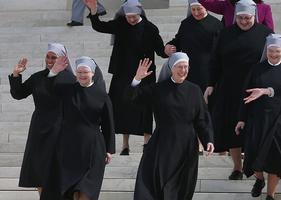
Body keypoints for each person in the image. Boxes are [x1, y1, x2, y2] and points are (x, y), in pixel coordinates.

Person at [85, 0, 168, 155]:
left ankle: (147, 142)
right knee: (122, 107)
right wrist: (94, 11)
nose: (131, 20)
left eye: (134, 17)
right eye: (128, 17)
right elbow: (99, 26)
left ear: (140, 13)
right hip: (122, 73)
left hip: (145, 73)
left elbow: (160, 50)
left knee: (145, 107)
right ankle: (125, 145)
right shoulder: (121, 24)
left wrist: (168, 51)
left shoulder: (150, 28)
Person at [127, 53, 214, 200]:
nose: (183, 70)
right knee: (155, 183)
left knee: (182, 186)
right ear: (171, 68)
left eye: (186, 67)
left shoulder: (195, 90)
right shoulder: (159, 89)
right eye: (179, 67)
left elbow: (202, 119)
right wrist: (137, 79)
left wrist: (208, 140)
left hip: (186, 146)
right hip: (162, 143)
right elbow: (133, 99)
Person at [203, 0, 273, 180]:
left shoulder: (266, 34)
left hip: (255, 88)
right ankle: (237, 168)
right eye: (240, 18)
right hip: (230, 88)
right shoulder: (225, 33)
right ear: (235, 17)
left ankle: (255, 167)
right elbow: (215, 61)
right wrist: (211, 83)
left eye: (247, 18)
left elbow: (273, 59)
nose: (243, 21)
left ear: (255, 16)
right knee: (232, 129)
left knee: (255, 129)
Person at [40, 56, 115, 200]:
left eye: (85, 72)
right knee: (69, 191)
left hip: (93, 148)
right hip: (68, 147)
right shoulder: (67, 90)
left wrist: (109, 149)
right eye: (79, 72)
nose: (82, 75)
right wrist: (54, 71)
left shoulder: (102, 95)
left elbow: (108, 123)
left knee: (87, 192)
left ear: (92, 73)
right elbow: (48, 88)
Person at [235, 34, 281, 200]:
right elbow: (246, 95)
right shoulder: (256, 70)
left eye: (277, 51)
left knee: (277, 159)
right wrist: (241, 118)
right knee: (253, 155)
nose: (273, 54)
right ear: (266, 50)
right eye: (271, 50)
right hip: (258, 119)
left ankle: (271, 195)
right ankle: (259, 179)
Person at [8, 43, 75, 196]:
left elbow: (52, 94)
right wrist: (16, 75)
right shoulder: (38, 77)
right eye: (48, 57)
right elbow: (18, 94)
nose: (50, 60)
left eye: (54, 57)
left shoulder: (69, 78)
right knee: (39, 171)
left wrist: (53, 74)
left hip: (60, 129)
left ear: (63, 59)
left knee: (57, 172)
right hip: (39, 129)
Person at [164, 0, 223, 93]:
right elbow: (178, 41)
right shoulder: (185, 24)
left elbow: (221, 50)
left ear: (206, 7)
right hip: (188, 71)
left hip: (208, 72)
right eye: (193, 9)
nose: (196, 12)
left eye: (199, 9)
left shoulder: (217, 25)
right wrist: (168, 47)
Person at [200, 0, 274, 30]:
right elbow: (205, 1)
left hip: (255, 51)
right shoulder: (227, 5)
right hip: (232, 48)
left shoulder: (264, 8)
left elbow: (269, 32)